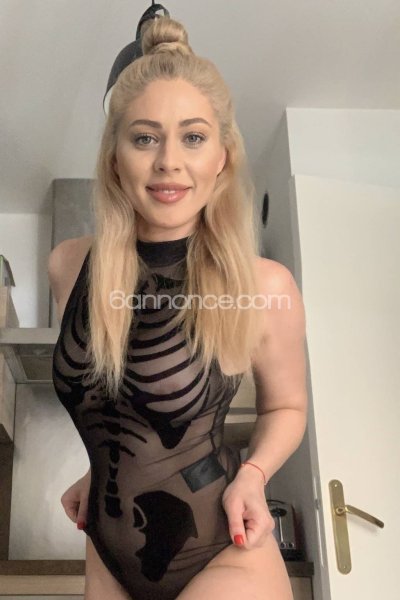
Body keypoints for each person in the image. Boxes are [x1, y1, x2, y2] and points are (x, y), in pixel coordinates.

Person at [48, 15, 307, 600]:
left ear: (222, 157)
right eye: (145, 138)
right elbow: (117, 400)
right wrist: (100, 467)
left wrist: (255, 474)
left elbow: (287, 405)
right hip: (106, 551)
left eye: (193, 137)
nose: (169, 161)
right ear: (115, 157)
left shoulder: (264, 284)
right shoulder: (69, 265)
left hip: (223, 549)